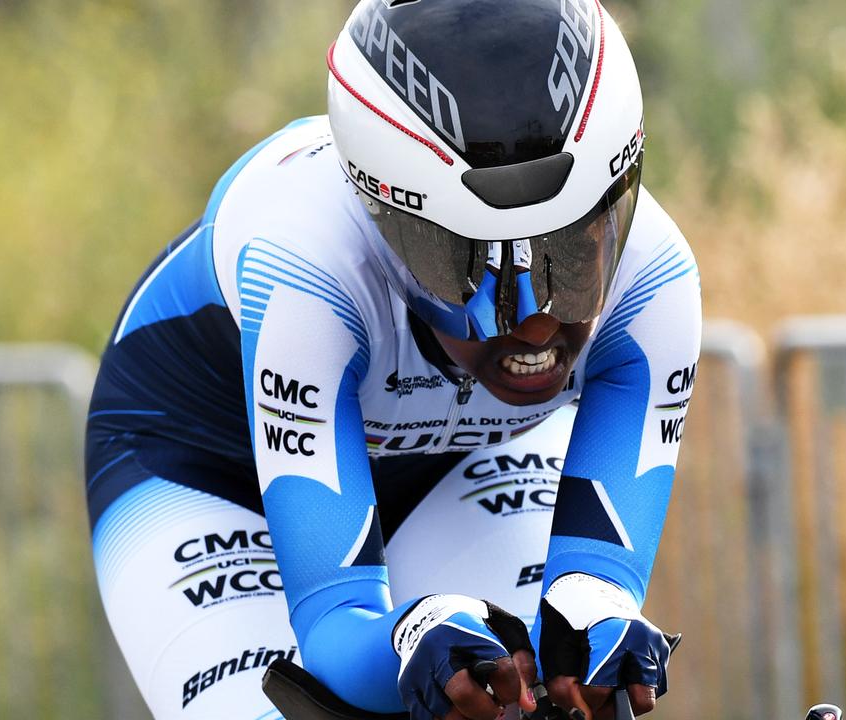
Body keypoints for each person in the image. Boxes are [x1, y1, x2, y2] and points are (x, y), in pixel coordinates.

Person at [84, 1, 701, 719]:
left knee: (525, 698)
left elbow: (593, 591)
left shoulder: (654, 277)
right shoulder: (306, 262)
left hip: (460, 457)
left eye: (569, 252)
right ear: (383, 216)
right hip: (208, 467)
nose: (535, 322)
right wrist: (414, 634)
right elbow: (335, 633)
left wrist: (595, 619)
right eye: (471, 262)